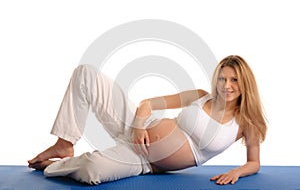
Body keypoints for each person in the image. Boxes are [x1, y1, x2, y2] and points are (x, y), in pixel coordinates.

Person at [28, 55, 267, 185]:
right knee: (86, 73)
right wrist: (139, 125)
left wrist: (237, 172)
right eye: (223, 79)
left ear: (245, 84)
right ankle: (65, 142)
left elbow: (254, 162)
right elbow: (148, 104)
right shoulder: (201, 96)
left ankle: (54, 167)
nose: (227, 86)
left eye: (234, 80)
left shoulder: (246, 123)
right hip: (136, 127)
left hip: (145, 161)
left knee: (92, 171)